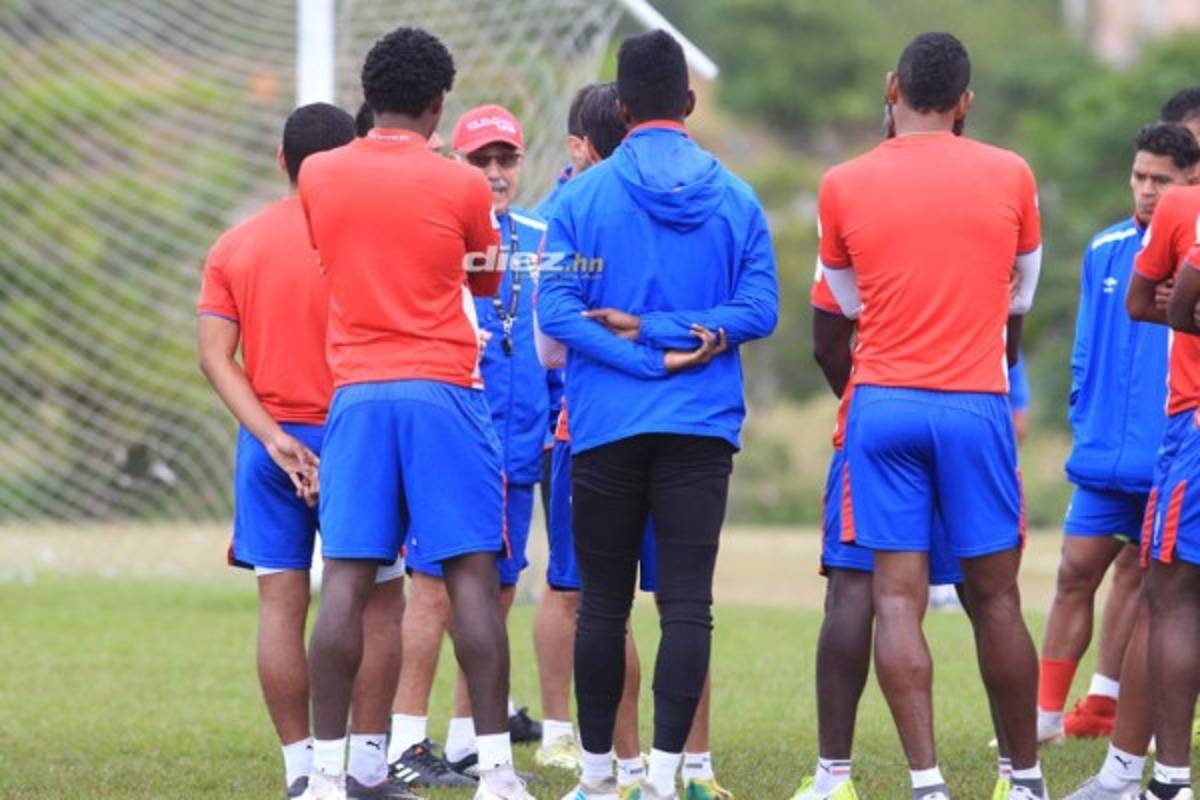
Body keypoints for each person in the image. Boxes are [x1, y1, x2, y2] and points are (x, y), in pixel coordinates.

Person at [539, 30, 778, 800]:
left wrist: (644, 339)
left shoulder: (580, 198)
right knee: (687, 606)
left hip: (606, 425)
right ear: (690, 102)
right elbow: (760, 310)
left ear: (621, 108)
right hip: (700, 426)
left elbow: (556, 311)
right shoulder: (737, 197)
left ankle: (599, 779)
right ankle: (670, 778)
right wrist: (677, 343)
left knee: (602, 607)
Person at [297, 27, 535, 800]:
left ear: (369, 99)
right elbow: (486, 282)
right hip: (443, 392)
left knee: (344, 581)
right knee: (471, 576)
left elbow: (329, 255)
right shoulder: (464, 185)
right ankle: (496, 774)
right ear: (437, 106)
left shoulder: (320, 174)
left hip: (358, 395)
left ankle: (324, 778)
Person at [818, 32, 1045, 800]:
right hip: (976, 400)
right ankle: (1025, 781)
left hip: (883, 402)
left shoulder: (842, 182)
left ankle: (927, 783)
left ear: (893, 87)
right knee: (998, 598)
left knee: (894, 597)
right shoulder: (1012, 173)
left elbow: (846, 307)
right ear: (965, 102)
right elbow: (1019, 302)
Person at [197, 103, 417, 800]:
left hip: (269, 442)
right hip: (357, 437)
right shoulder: (371, 238)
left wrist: (272, 438)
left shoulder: (235, 245)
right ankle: (368, 768)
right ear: (350, 159)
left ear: (281, 161)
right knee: (380, 605)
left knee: (279, 607)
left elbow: (214, 357)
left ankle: (300, 770)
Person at [387, 103, 551, 784]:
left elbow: (558, 335)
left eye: (504, 158)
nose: (493, 172)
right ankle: (403, 740)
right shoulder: (434, 234)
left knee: (500, 592)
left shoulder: (544, 240)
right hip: (450, 439)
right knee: (432, 591)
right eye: (479, 159)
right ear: (455, 163)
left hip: (520, 444)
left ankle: (466, 740)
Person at [1039, 124, 1197, 748]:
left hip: (1171, 454)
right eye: (1139, 176)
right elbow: (1085, 348)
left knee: (1162, 592)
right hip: (1103, 454)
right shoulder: (1104, 248)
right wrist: (1084, 414)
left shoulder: (1190, 247)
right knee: (1074, 572)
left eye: (1161, 180)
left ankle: (1143, 723)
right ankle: (1044, 718)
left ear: (1189, 182)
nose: (1147, 189)